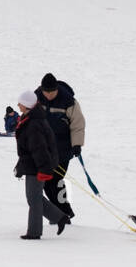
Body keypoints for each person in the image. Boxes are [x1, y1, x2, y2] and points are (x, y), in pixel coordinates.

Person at [14, 90, 70, 239]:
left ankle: (34, 232)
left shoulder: (34, 123)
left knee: (33, 198)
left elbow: (40, 149)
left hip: (38, 166)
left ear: (26, 105)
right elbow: (27, 149)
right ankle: (60, 218)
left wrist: (44, 169)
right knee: (34, 197)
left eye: (20, 103)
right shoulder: (29, 119)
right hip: (34, 165)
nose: (18, 105)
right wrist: (20, 167)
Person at [34, 73, 86, 220]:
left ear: (56, 89)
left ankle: (64, 213)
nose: (49, 95)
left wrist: (77, 144)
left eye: (52, 92)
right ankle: (60, 214)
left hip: (62, 150)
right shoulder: (36, 98)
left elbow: (78, 125)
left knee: (56, 181)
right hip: (43, 150)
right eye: (46, 92)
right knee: (45, 184)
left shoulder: (69, 102)